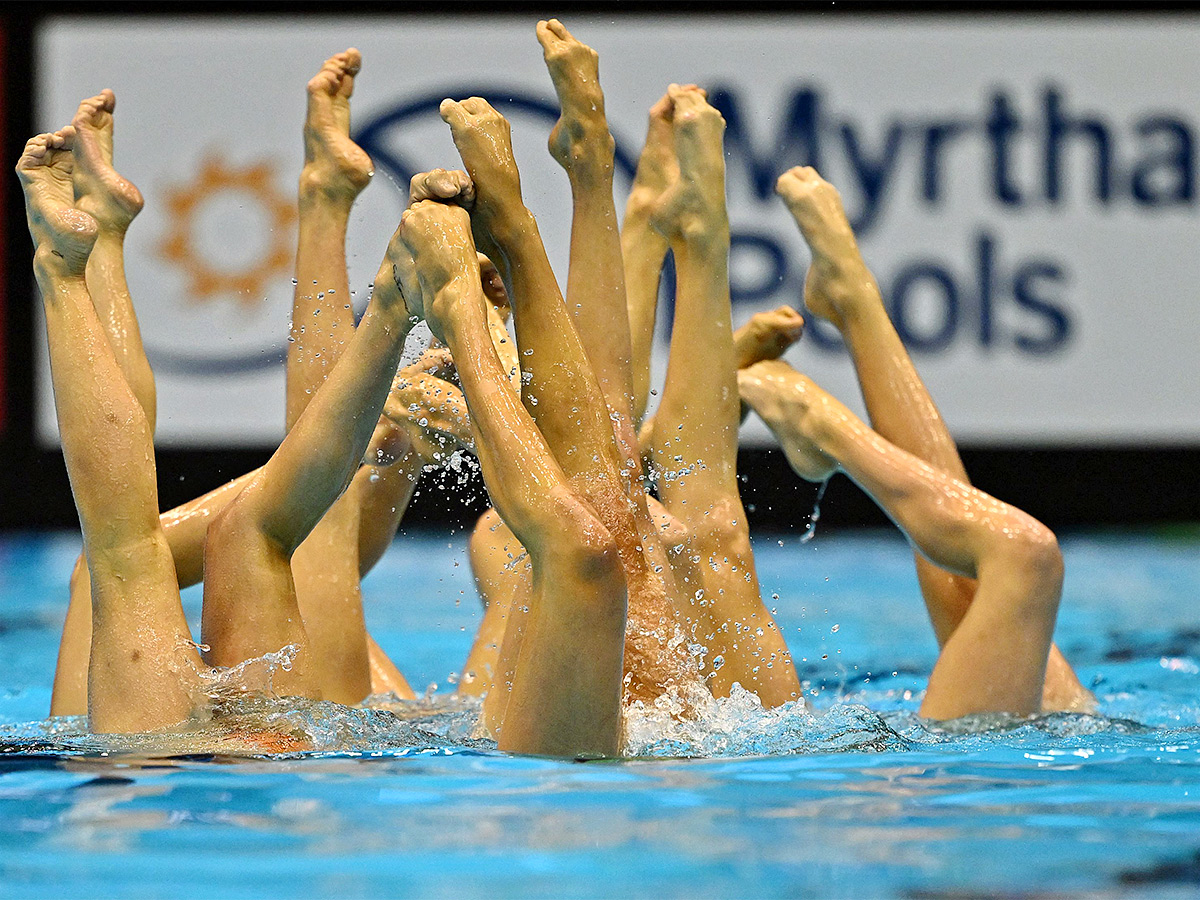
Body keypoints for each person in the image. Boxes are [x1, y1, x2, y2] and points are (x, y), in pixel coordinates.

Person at [49, 55, 474, 717]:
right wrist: (386, 447)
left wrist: (382, 445)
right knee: (132, 553)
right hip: (256, 750)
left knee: (124, 557)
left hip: (201, 751)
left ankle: (98, 239)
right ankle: (88, 248)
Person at [738, 165, 1095, 717]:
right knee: (1004, 597)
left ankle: (831, 427)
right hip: (1033, 759)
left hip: (952, 781)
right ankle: (853, 306)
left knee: (1020, 559)